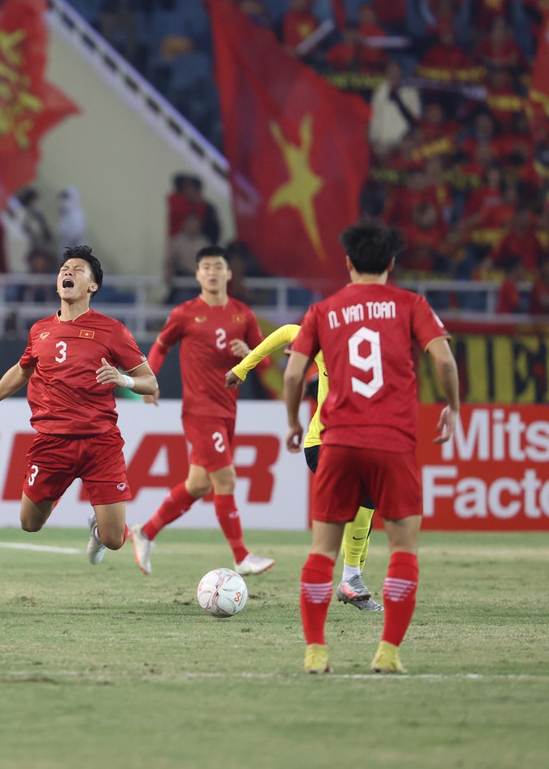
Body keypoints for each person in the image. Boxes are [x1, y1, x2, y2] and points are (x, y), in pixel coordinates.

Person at [282, 220, 459, 675]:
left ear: (347, 262)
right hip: (392, 441)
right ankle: (388, 653)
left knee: (322, 550)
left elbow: (291, 373)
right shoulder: (411, 304)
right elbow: (443, 358)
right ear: (391, 263)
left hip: (338, 441)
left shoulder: (324, 310)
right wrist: (452, 408)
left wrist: (292, 421)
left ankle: (316, 652)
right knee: (403, 549)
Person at [0, 246, 158, 563]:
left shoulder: (113, 330)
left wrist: (124, 380)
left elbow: (150, 381)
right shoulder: (40, 330)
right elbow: (22, 370)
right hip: (52, 441)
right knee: (29, 524)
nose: (68, 272)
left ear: (92, 286)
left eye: (78, 269)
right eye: (65, 268)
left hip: (100, 443)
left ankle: (98, 530)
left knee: (115, 540)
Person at [129, 246, 275, 577]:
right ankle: (241, 556)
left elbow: (264, 363)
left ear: (228, 273)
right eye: (205, 266)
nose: (211, 271)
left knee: (198, 485)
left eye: (218, 266)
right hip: (199, 410)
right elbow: (161, 346)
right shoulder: (184, 314)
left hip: (227, 411)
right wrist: (148, 381)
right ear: (197, 274)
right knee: (226, 479)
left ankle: (145, 532)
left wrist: (249, 353)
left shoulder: (243, 314)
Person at [226, 327, 382, 612]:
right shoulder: (332, 343)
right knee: (358, 499)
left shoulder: (384, 360)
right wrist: (243, 367)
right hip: (323, 444)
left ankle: (352, 581)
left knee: (366, 506)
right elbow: (286, 332)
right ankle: (350, 578)